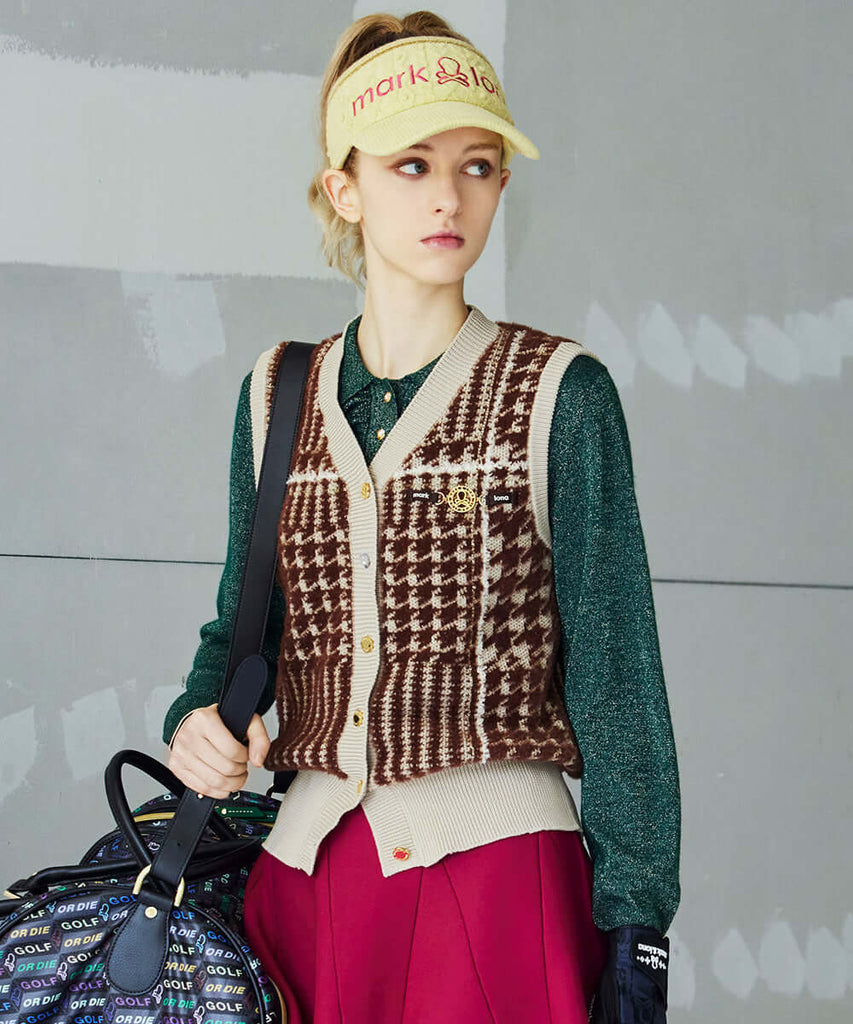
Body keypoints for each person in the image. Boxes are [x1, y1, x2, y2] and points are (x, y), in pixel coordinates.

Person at [162, 10, 681, 1024]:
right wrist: (195, 724)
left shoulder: (558, 394)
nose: (449, 196)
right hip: (303, 889)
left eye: (476, 165)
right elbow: (240, 631)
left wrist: (636, 928)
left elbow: (618, 679)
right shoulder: (276, 395)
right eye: (411, 165)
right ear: (343, 189)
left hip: (499, 885)